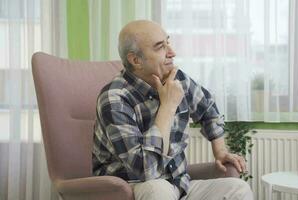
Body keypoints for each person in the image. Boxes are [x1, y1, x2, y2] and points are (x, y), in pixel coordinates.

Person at [92, 20, 253, 200]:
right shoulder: (114, 98)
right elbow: (146, 170)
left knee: (238, 189)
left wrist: (220, 151)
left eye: (168, 42)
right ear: (136, 60)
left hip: (178, 186)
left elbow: (208, 108)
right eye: (160, 47)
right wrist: (168, 106)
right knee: (157, 189)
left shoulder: (178, 79)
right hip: (131, 188)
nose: (172, 52)